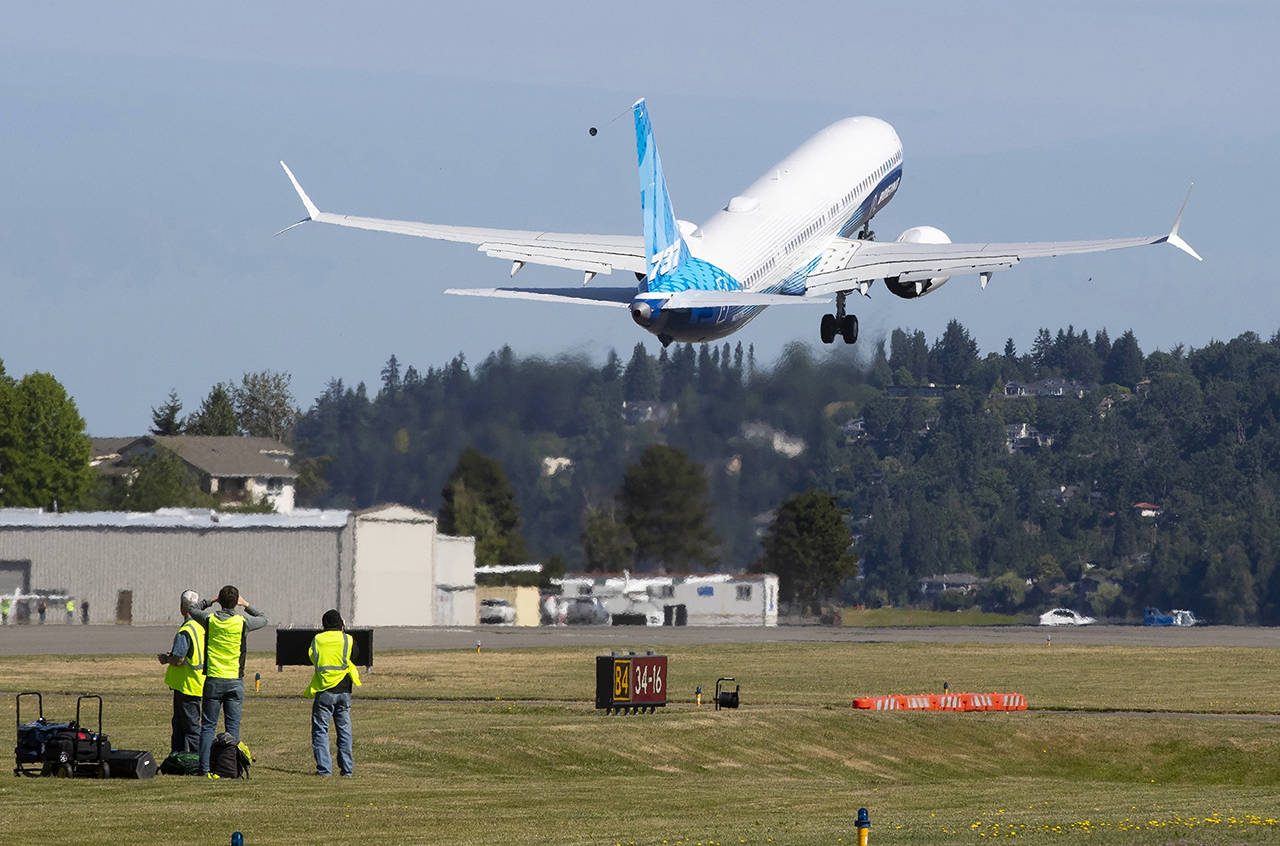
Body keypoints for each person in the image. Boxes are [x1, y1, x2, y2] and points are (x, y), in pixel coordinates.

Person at [189, 585, 267, 778]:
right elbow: (263, 618)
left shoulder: (210, 619)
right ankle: (231, 768)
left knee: (208, 726)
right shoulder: (242, 622)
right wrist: (246, 604)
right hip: (234, 680)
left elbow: (192, 609)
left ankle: (204, 769)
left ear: (220, 601)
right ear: (236, 602)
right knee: (232, 728)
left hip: (214, 679)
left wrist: (210, 601)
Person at [306, 609, 361, 777]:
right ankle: (347, 770)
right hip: (344, 690)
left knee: (320, 730)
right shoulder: (347, 639)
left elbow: (312, 657)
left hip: (324, 689)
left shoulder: (318, 639)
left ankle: (324, 769)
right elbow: (355, 656)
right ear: (341, 624)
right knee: (344, 730)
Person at [157, 590, 206, 754]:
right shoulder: (201, 626)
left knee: (191, 728)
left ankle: (200, 759)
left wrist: (166, 659)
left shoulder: (186, 630)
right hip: (197, 682)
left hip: (187, 685)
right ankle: (178, 757)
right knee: (179, 725)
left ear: (182, 607)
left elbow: (179, 659)